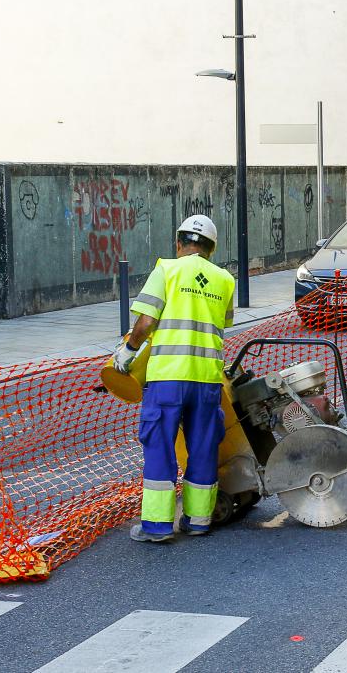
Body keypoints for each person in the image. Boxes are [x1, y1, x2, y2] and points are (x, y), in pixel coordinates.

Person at [113, 215, 236, 542]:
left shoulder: (166, 270)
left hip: (168, 378)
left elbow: (146, 321)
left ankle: (157, 527)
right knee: (203, 448)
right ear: (211, 249)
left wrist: (129, 350)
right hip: (208, 380)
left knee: (160, 448)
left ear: (179, 242)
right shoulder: (225, 280)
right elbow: (223, 323)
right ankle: (198, 520)